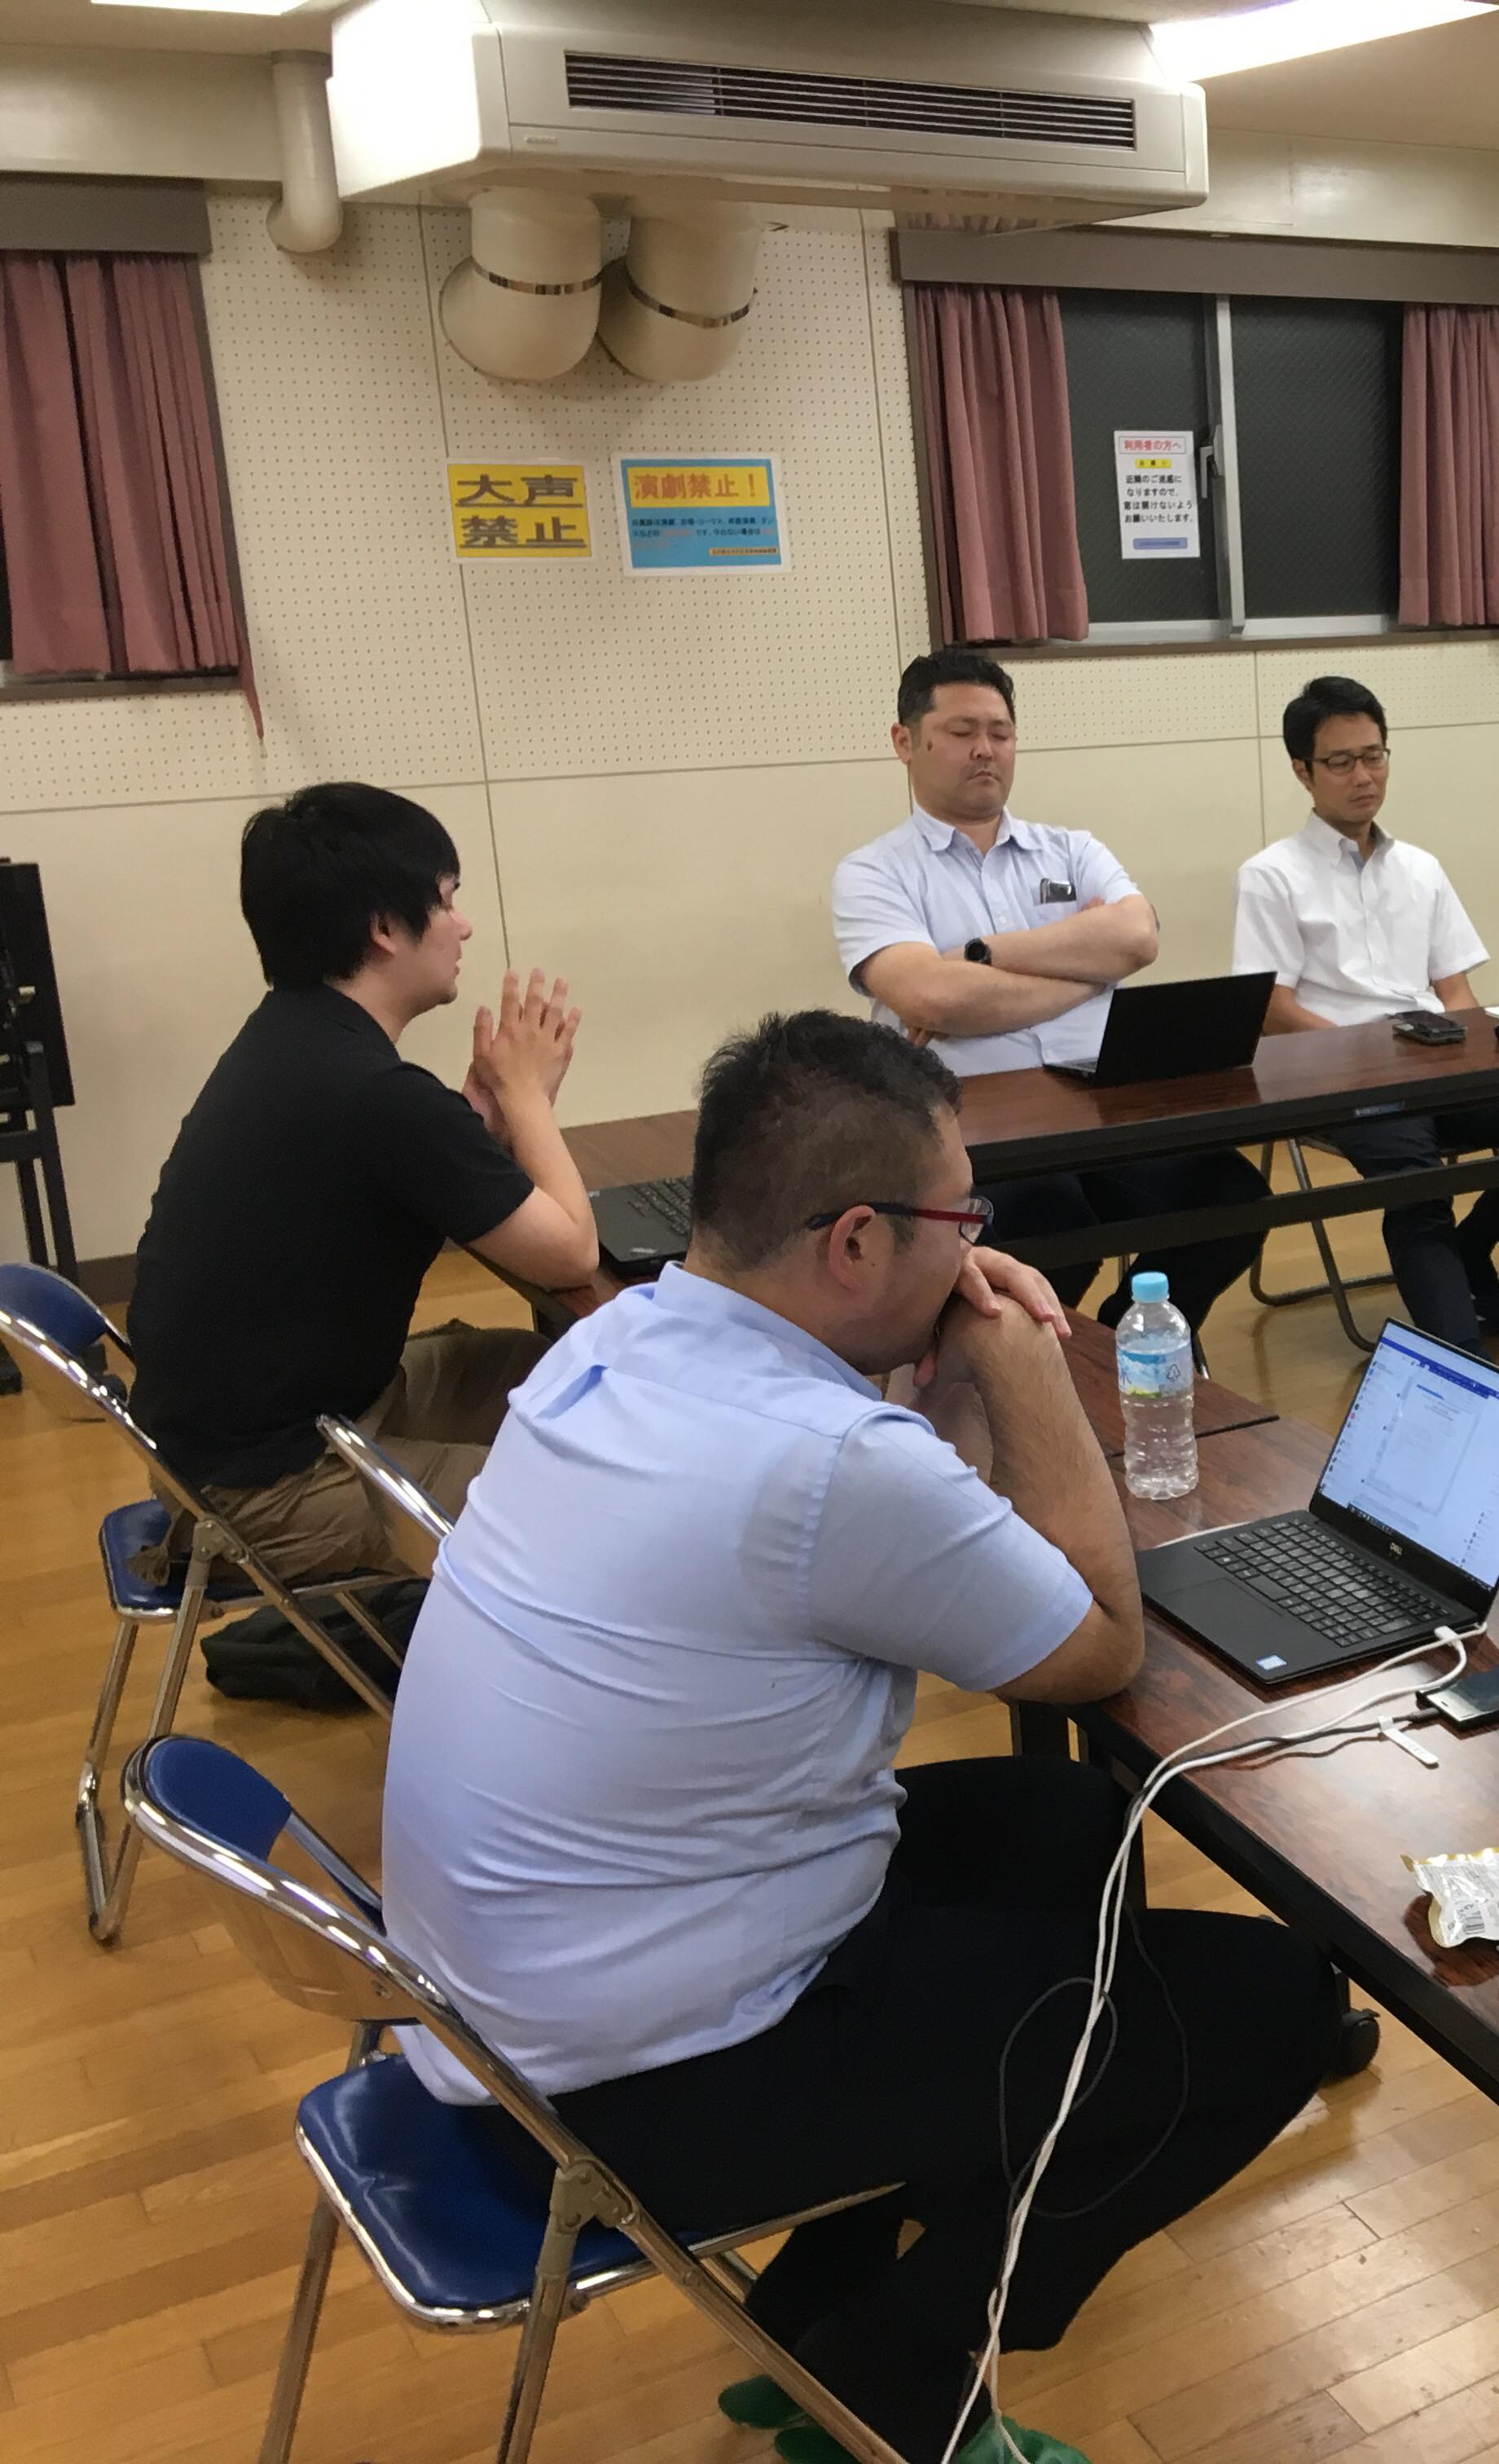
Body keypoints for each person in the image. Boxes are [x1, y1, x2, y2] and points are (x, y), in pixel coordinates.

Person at [382, 1012, 1339, 2464]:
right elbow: (1098, 1642)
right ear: (853, 1241)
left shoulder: (626, 1335)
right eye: (961, 1222)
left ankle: (828, 2307)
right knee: (1271, 2004)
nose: (976, 1251)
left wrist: (940, 1392)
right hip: (634, 2090)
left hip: (503, 2010)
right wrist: (1023, 1363)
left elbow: (906, 1543)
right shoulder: (825, 1461)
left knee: (1072, 1827)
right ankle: (891, 2381)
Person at [126, 782, 596, 1585]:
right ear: (384, 927)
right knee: (600, 1493)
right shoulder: (374, 1093)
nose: (463, 925)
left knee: (565, 1374)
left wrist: (477, 1125)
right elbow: (572, 1253)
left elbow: (381, 1172)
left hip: (247, 1437)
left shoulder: (292, 1037)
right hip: (269, 1492)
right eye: (446, 899)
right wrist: (524, 1097)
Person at [834, 651, 1266, 1330]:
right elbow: (932, 998)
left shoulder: (1071, 849)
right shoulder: (872, 873)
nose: (985, 749)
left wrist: (979, 957)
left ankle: (1124, 1341)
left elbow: (1138, 937)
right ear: (905, 742)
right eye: (961, 732)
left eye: (1000, 733)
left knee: (1232, 1195)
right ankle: (1033, 1366)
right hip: (974, 1134)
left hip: (1101, 1109)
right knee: (1051, 1218)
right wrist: (1091, 969)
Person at [1234, 675, 1499, 1353]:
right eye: (1341, 762)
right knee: (1418, 1184)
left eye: (1374, 756)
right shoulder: (1272, 875)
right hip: (1338, 1078)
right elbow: (1273, 1013)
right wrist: (1372, 1057)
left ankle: (1474, 1249)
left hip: (1435, 1063)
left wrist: (1476, 1057)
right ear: (1302, 771)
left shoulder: (1420, 868)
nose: (1363, 776)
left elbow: (1456, 994)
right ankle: (1460, 1364)